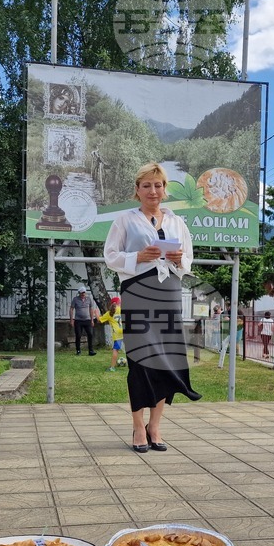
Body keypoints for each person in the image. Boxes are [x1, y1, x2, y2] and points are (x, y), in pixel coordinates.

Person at [104, 162, 201, 453]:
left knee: (165, 360)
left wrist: (178, 260)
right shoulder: (125, 220)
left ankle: (155, 426)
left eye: (158, 185)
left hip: (168, 292)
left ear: (164, 189)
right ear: (137, 189)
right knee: (140, 361)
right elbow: (110, 256)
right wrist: (137, 257)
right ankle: (138, 427)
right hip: (137, 292)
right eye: (146, 185)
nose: (153, 191)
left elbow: (188, 260)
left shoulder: (176, 221)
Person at [96, 298, 124, 372]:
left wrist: (96, 313)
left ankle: (112, 368)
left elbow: (99, 320)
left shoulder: (109, 313)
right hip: (124, 331)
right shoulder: (121, 309)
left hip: (117, 334)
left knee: (115, 350)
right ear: (118, 303)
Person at [69, 287, 97, 356]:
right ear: (79, 293)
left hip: (87, 320)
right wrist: (71, 320)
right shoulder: (75, 299)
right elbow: (71, 309)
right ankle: (78, 350)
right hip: (78, 320)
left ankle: (91, 350)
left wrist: (92, 320)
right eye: (82, 293)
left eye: (84, 292)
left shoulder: (89, 299)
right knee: (78, 335)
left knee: (90, 334)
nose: (83, 294)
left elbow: (91, 309)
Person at [217, 301, 244, 369]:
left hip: (237, 329)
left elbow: (241, 320)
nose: (227, 307)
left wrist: (231, 319)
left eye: (228, 306)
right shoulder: (225, 312)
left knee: (235, 341)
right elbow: (221, 319)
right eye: (227, 306)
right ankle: (222, 362)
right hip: (228, 330)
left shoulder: (238, 311)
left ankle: (236, 353)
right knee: (226, 343)